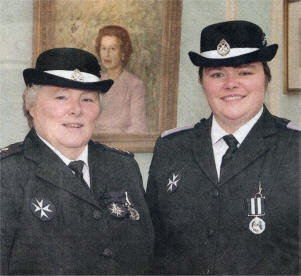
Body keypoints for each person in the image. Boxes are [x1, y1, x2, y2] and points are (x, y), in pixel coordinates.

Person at [146, 20, 300, 275]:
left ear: (266, 79)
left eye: (245, 72)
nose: (230, 84)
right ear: (203, 83)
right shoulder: (171, 148)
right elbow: (153, 250)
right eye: (217, 74)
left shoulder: (295, 148)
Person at [0, 47, 154, 275]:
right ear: (31, 106)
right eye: (61, 97)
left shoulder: (122, 167)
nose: (76, 110)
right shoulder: (7, 174)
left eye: (87, 99)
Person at [94, 25, 147, 133]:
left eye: (112, 49)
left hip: (122, 144)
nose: (107, 54)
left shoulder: (135, 85)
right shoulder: (95, 83)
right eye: (103, 48)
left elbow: (138, 127)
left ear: (123, 52)